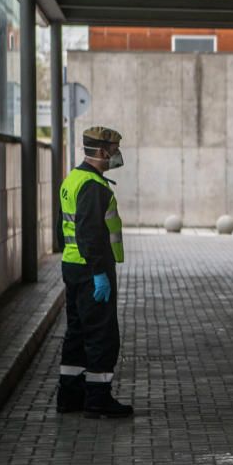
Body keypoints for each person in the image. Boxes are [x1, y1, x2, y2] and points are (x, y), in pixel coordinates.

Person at [56, 126, 132, 418]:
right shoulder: (94, 187)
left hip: (74, 266)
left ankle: (70, 396)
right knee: (101, 335)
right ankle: (98, 400)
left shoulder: (73, 179)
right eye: (113, 150)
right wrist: (100, 273)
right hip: (92, 271)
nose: (115, 155)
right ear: (101, 151)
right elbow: (89, 233)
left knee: (77, 332)